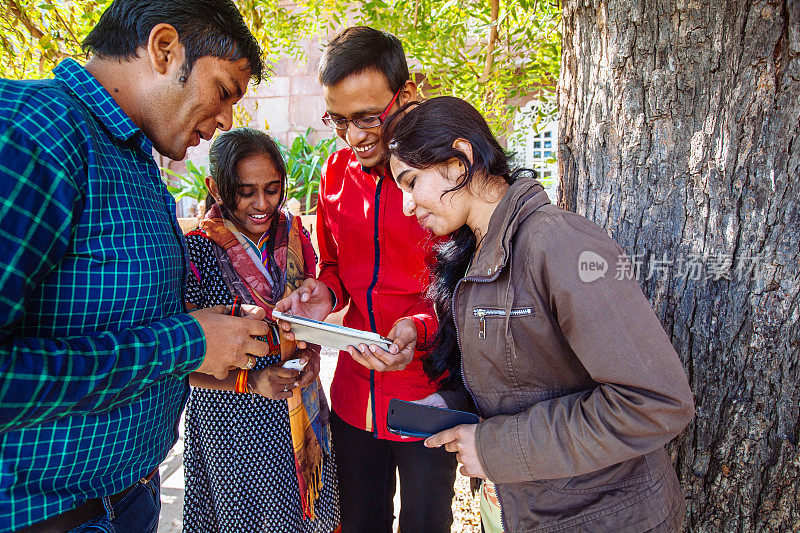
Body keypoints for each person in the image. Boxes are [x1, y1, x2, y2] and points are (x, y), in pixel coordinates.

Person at [0, 1, 269, 531]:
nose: (226, 122)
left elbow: (103, 321)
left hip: (127, 499)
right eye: (222, 92)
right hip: (53, 515)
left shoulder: (132, 154)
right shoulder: (36, 131)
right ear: (164, 49)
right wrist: (187, 341)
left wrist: (209, 333)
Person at [384, 96, 696, 532]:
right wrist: (450, 404)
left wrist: (495, 449)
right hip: (522, 511)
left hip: (603, 517)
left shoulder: (559, 243)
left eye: (411, 181)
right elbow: (523, 381)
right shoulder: (473, 257)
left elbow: (654, 403)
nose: (407, 205)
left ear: (459, 162)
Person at [275, 27, 457, 533]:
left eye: (368, 117)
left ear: (407, 94)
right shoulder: (335, 171)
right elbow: (333, 267)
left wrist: (416, 330)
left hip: (427, 395)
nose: (354, 136)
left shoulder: (445, 175)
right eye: (338, 121)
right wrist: (321, 294)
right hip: (354, 396)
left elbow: (463, 290)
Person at [182, 127, 340, 532]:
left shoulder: (295, 235)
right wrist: (250, 381)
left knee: (307, 517)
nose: (261, 204)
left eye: (272, 189)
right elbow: (182, 361)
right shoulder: (198, 249)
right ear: (215, 188)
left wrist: (310, 355)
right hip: (233, 425)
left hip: (299, 412)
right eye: (246, 191)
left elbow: (309, 320)